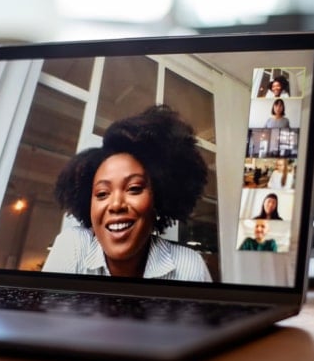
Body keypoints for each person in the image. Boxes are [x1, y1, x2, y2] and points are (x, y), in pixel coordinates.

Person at [42, 105, 212, 282]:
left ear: (158, 199)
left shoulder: (189, 268)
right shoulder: (72, 248)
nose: (116, 205)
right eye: (102, 193)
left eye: (134, 188)